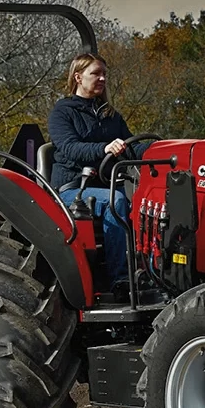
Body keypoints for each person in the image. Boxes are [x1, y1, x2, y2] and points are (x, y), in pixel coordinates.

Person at [48, 52, 149, 296]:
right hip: (73, 190)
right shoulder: (63, 112)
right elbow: (70, 148)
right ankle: (121, 279)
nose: (102, 78)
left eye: (104, 74)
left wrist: (163, 147)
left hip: (106, 184)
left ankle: (154, 270)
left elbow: (131, 146)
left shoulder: (110, 115)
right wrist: (104, 148)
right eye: (96, 73)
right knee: (116, 201)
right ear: (78, 77)